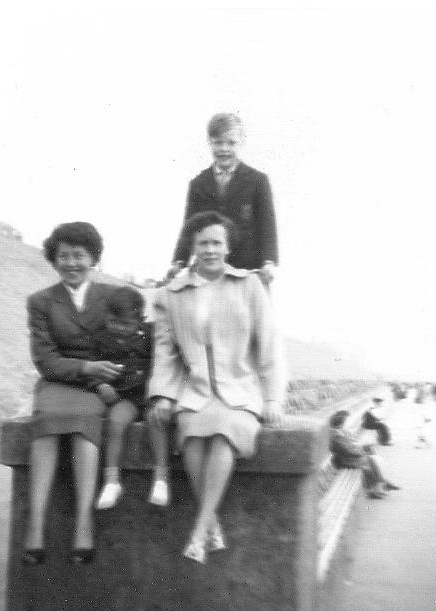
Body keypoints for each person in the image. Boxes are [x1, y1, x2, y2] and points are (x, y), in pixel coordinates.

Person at [148, 210, 284, 564]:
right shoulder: (171, 293)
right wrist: (162, 394)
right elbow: (164, 352)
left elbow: (268, 344)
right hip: (195, 390)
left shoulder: (250, 284)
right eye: (202, 243)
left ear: (228, 247)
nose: (210, 250)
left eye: (217, 243)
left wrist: (272, 397)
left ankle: (199, 531)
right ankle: (212, 527)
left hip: (240, 389)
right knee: (192, 437)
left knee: (226, 433)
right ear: (192, 248)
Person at [23, 221, 124, 566]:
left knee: (84, 427)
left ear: (93, 258)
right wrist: (86, 369)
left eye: (79, 255)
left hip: (98, 388)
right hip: (57, 383)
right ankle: (35, 528)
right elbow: (45, 359)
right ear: (54, 259)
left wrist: (100, 377)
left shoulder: (112, 298)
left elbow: (123, 346)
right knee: (47, 423)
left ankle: (84, 524)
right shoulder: (40, 302)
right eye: (63, 256)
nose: (71, 263)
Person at [166, 113, 278, 285]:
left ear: (241, 142)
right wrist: (179, 262)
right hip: (209, 271)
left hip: (247, 271)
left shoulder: (258, 181)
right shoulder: (198, 184)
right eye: (218, 143)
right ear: (210, 143)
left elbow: (267, 227)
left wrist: (269, 262)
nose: (224, 149)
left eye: (231, 143)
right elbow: (190, 226)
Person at [92, 286, 170, 509]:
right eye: (112, 322)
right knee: (116, 422)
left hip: (150, 393)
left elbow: (166, 360)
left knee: (157, 420)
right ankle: (111, 480)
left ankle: (161, 478)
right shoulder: (100, 339)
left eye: (125, 324)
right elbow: (92, 369)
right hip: (124, 396)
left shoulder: (151, 336)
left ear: (140, 320)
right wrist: (101, 385)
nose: (117, 328)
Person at [328, 410, 400, 499]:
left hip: (349, 458)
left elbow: (350, 446)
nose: (347, 423)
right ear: (341, 423)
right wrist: (360, 451)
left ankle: (380, 485)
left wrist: (360, 449)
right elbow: (347, 450)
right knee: (369, 462)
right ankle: (378, 487)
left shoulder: (340, 432)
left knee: (370, 459)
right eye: (346, 421)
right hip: (345, 460)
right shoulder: (336, 435)